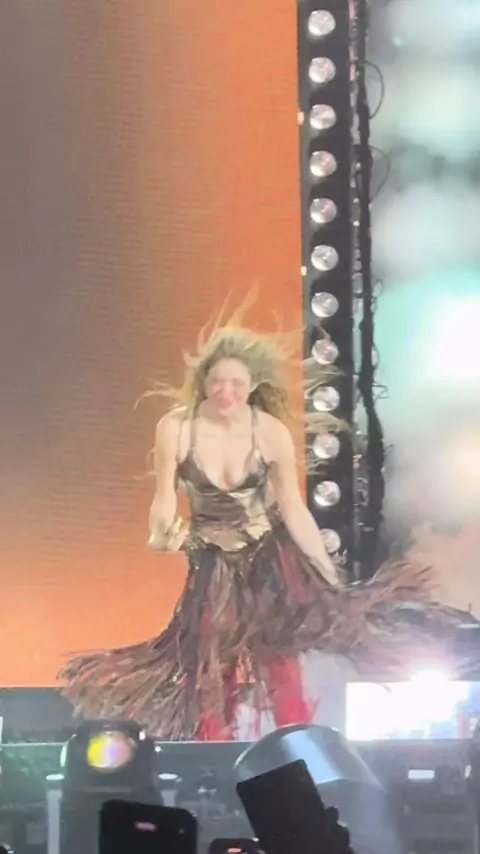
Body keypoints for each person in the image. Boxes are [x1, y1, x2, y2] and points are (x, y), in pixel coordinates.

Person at [59, 300, 476, 740]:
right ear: (203, 382)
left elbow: (293, 508)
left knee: (280, 658)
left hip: (270, 557)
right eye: (217, 383)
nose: (225, 393)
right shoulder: (176, 429)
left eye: (236, 384)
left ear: (252, 385)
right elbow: (164, 498)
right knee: (209, 660)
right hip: (211, 559)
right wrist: (161, 529)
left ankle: (295, 745)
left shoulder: (269, 432)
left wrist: (325, 570)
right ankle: (213, 752)